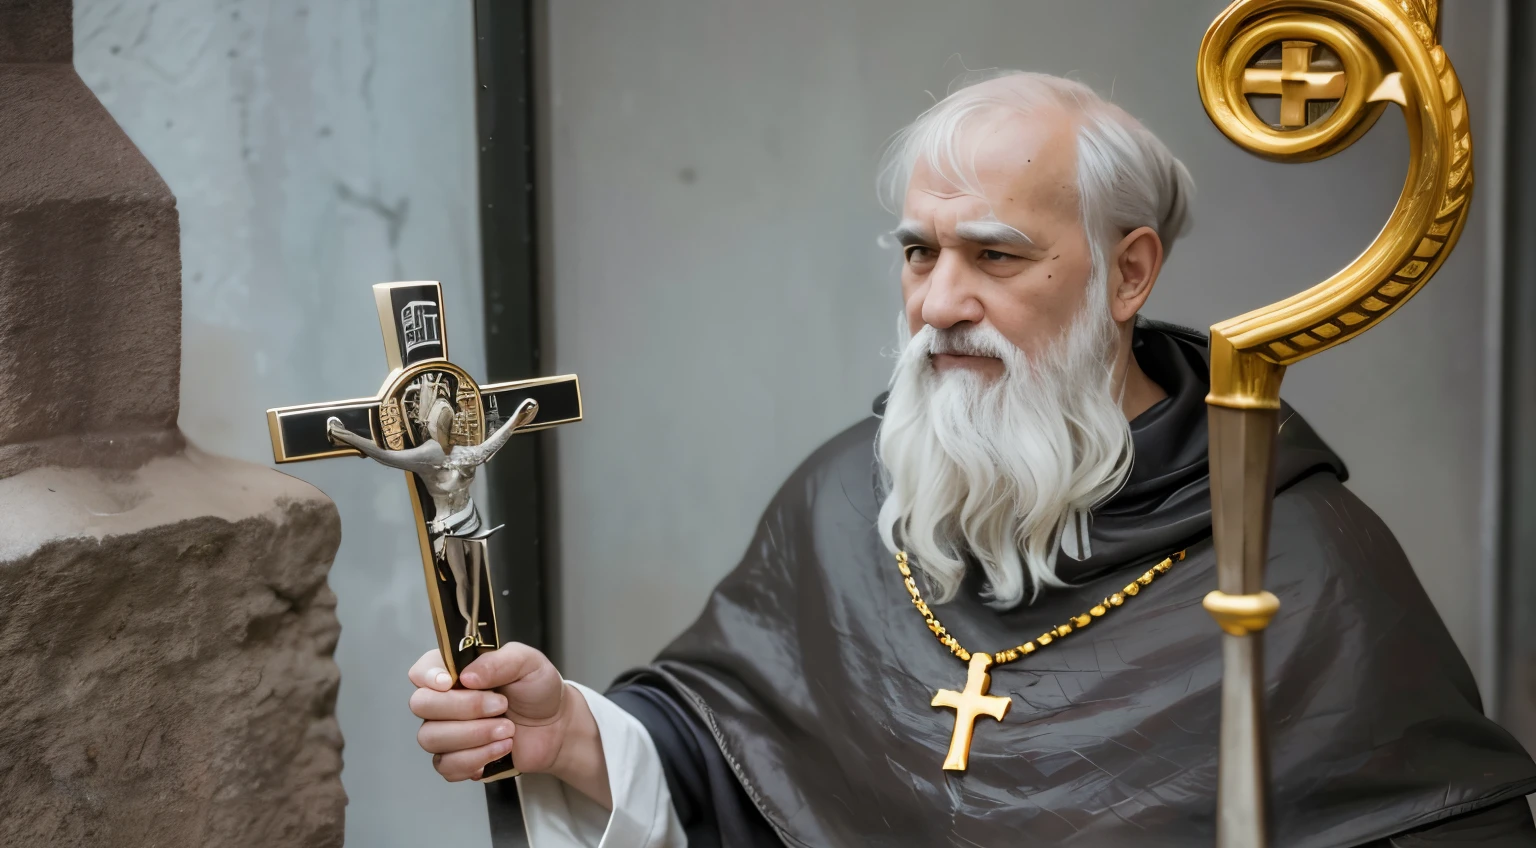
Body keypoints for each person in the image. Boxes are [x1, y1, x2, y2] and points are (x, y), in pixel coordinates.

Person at [405, 72, 1536, 846]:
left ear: (1128, 272)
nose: (941, 302)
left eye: (996, 253)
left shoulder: (1299, 559)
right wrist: (581, 736)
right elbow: (736, 756)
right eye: (919, 251)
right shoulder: (850, 492)